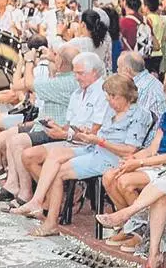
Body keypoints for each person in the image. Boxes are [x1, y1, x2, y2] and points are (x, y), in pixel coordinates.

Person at [23, 74, 151, 236]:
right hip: (96, 149)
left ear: (127, 96)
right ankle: (40, 204)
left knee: (59, 171)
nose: (110, 100)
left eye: (114, 97)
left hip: (113, 157)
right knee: (55, 155)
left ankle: (50, 221)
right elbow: (101, 135)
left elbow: (130, 150)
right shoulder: (112, 110)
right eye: (109, 96)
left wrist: (100, 141)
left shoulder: (139, 115)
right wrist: (87, 134)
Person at [102, 67, 166, 250]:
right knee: (109, 176)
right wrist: (131, 159)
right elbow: (152, 149)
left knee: (125, 182)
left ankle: (141, 231)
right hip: (155, 163)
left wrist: (138, 163)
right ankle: (130, 226)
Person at [9, 52, 110, 217]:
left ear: (94, 72)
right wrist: (57, 128)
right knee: (28, 156)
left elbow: (93, 134)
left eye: (80, 73)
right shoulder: (78, 92)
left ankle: (46, 203)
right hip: (72, 141)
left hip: (88, 146)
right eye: (75, 73)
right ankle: (52, 199)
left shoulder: (102, 93)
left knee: (50, 158)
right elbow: (69, 126)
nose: (76, 77)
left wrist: (64, 134)